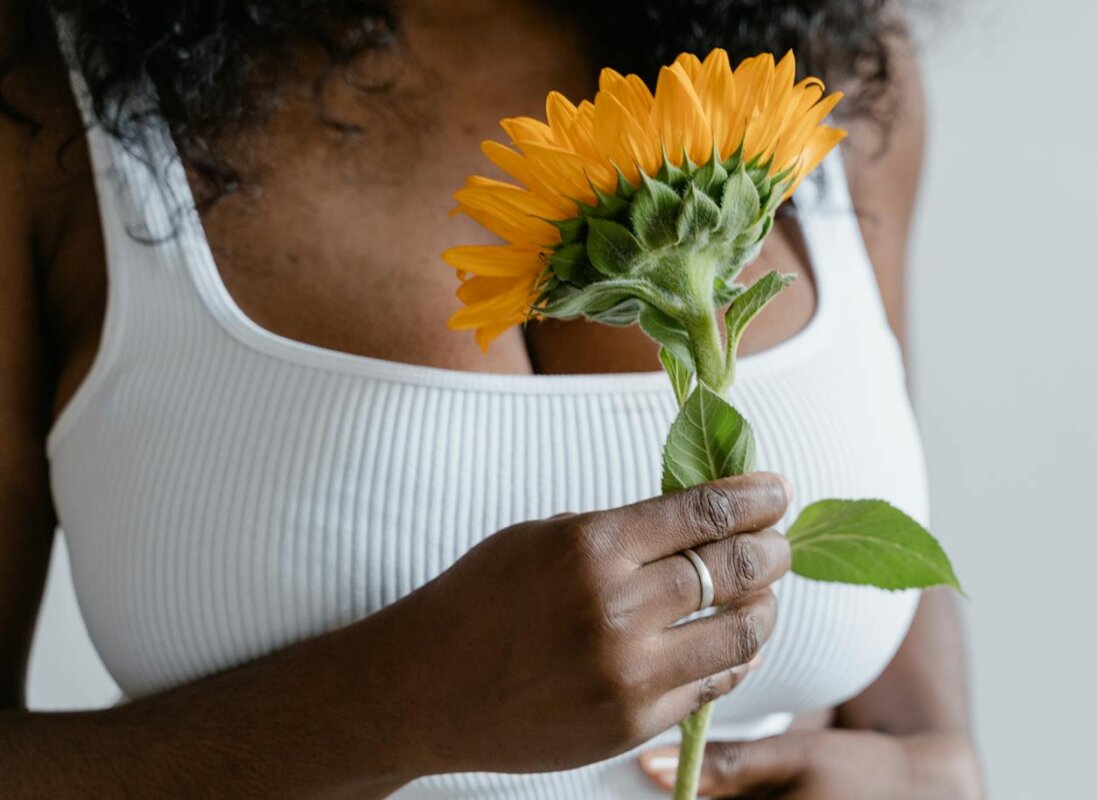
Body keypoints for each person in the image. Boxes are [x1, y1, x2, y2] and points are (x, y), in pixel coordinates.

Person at [0, 1, 983, 797]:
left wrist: (935, 764)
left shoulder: (834, 62)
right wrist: (394, 701)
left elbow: (890, 540)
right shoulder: (44, 105)